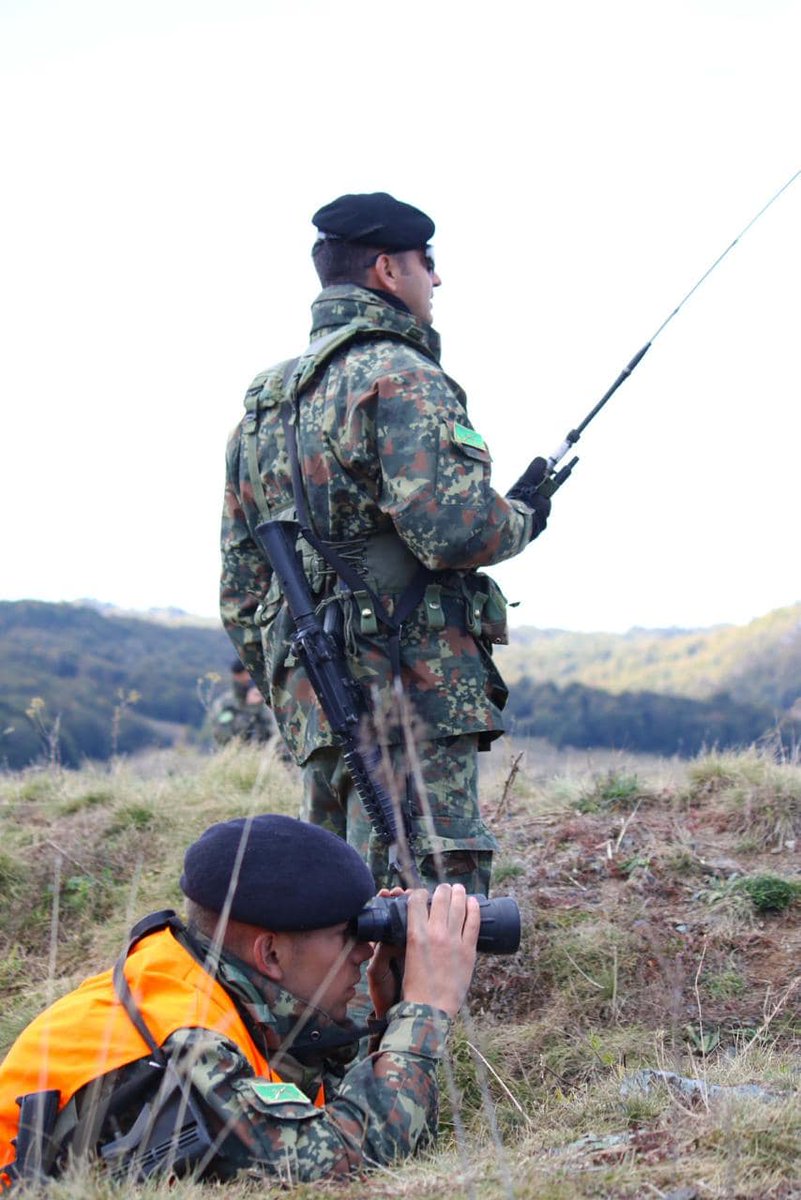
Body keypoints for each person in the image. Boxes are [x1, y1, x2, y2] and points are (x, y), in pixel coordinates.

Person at [220, 191, 553, 895]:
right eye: (425, 262)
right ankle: (414, 1009)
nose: (435, 278)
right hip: (408, 688)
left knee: (335, 896)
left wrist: (295, 690)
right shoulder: (401, 376)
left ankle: (346, 1009)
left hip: (319, 698)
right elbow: (456, 529)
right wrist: (521, 517)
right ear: (385, 269)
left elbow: (242, 589)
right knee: (429, 894)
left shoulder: (265, 405)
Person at [0, 815, 480, 1185]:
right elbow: (346, 1161)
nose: (364, 950)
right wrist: (424, 1012)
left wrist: (387, 1012)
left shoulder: (198, 981)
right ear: (269, 952)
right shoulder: (186, 1037)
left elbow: (310, 1105)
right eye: (345, 935)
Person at [209, 659, 277, 747]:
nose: (249, 678)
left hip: (266, 752)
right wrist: (251, 709)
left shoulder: (263, 699)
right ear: (236, 676)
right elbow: (224, 736)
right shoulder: (225, 704)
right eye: (246, 674)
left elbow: (273, 729)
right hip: (237, 754)